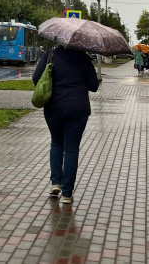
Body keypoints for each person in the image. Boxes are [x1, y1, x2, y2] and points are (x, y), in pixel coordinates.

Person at [32, 45, 99, 205]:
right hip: (78, 109)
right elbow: (94, 86)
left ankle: (56, 183)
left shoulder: (51, 54)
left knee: (56, 142)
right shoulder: (84, 59)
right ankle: (67, 194)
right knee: (71, 149)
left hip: (53, 107)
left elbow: (36, 78)